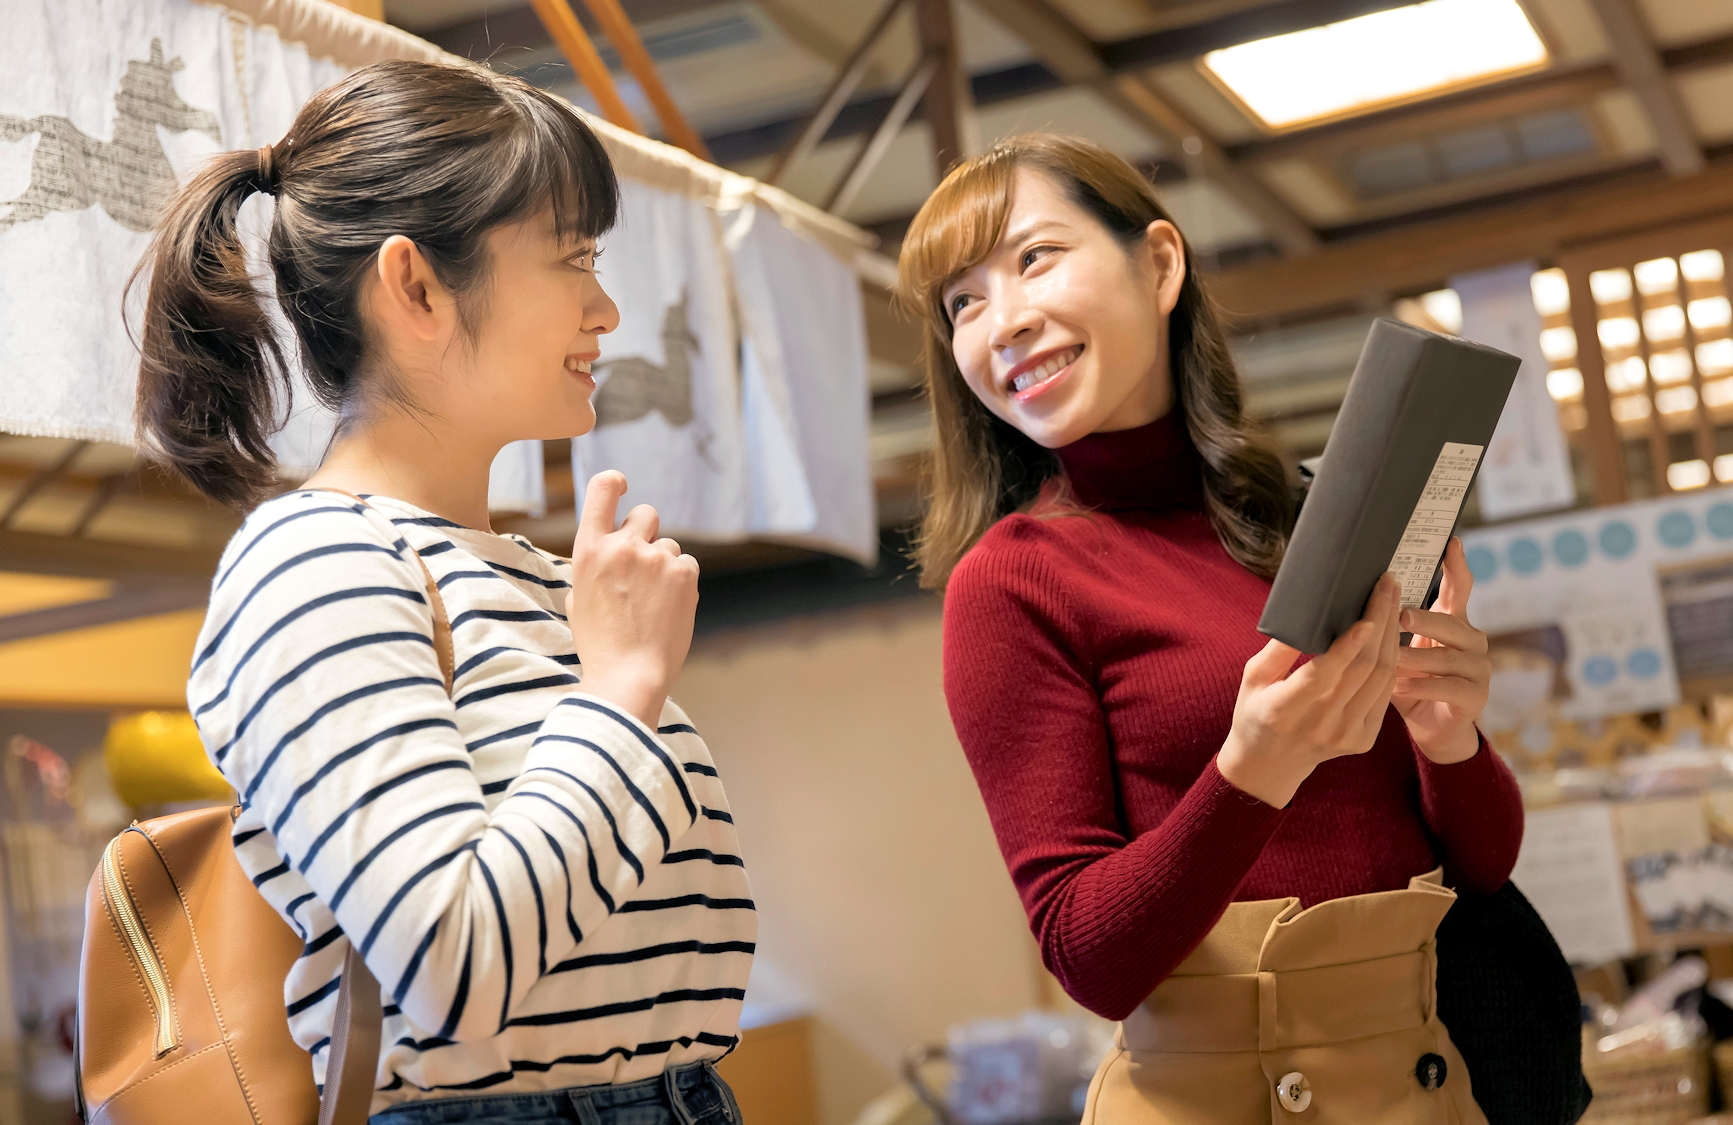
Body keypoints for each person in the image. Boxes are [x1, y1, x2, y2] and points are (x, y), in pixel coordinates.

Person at [135, 61, 749, 1124]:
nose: (604, 307)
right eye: (574, 259)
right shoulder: (314, 565)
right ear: (415, 286)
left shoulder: (527, 577)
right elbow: (454, 969)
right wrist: (619, 690)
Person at [900, 133, 1526, 1122]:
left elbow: (1481, 868)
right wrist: (1253, 767)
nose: (1001, 322)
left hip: (1421, 1082)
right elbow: (1085, 955)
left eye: (1031, 259)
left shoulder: (1307, 518)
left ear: (1157, 264)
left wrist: (1450, 739)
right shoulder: (1011, 583)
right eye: (961, 303)